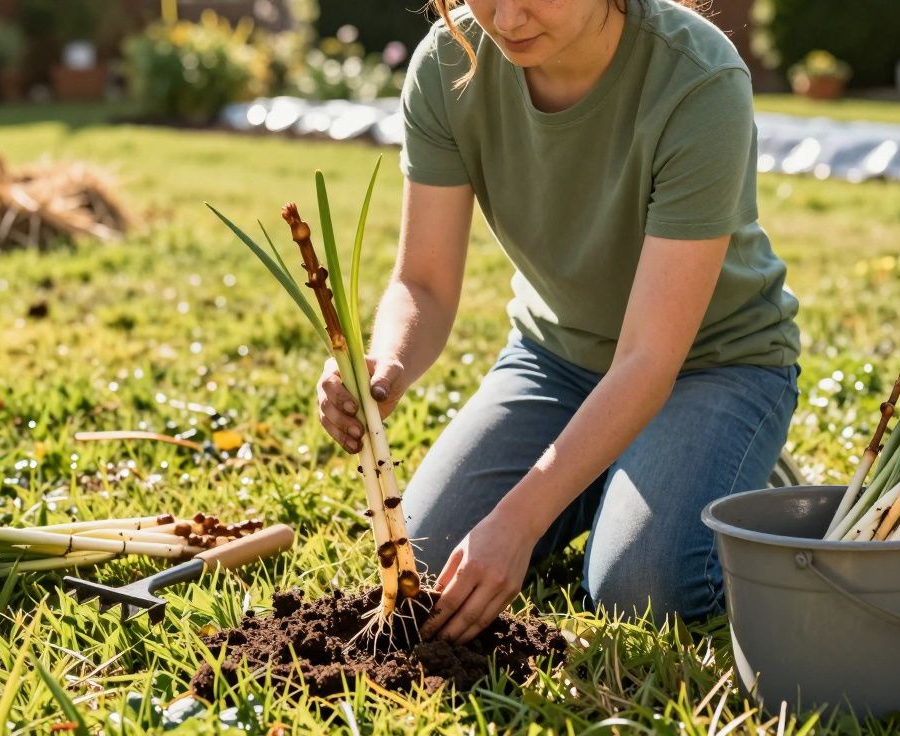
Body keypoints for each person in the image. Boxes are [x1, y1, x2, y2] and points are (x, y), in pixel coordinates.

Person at [315, 0, 800, 644]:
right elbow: (423, 283)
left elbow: (649, 358)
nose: (506, 18)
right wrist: (385, 362)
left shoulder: (697, 79)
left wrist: (519, 520)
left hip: (712, 366)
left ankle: (721, 467)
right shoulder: (448, 62)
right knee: (426, 563)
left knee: (642, 590)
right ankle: (622, 470)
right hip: (556, 360)